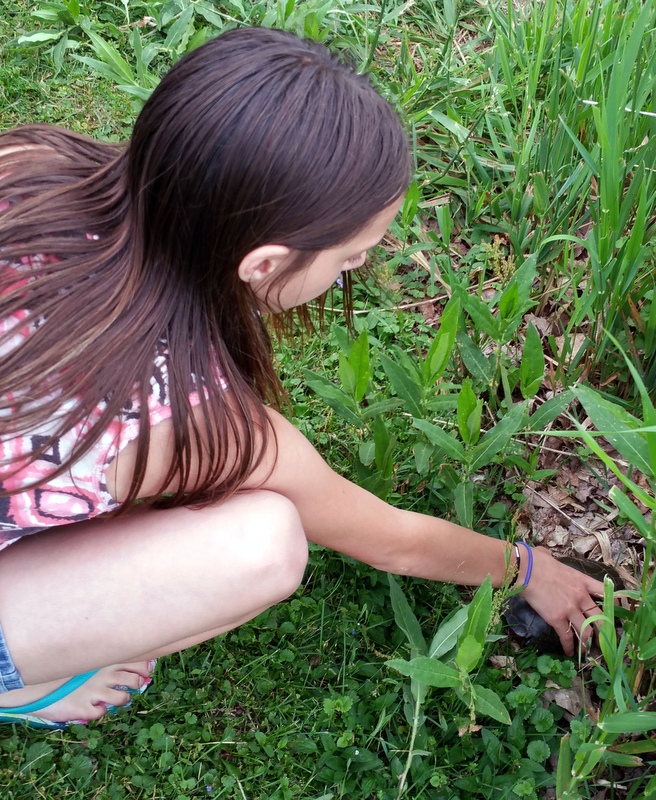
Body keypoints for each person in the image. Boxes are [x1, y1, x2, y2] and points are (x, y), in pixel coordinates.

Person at [0, 27, 603, 729]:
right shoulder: (176, 416)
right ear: (261, 264)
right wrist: (530, 568)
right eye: (350, 260)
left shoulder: (26, 164)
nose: (360, 273)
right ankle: (21, 684)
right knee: (264, 546)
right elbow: (392, 539)